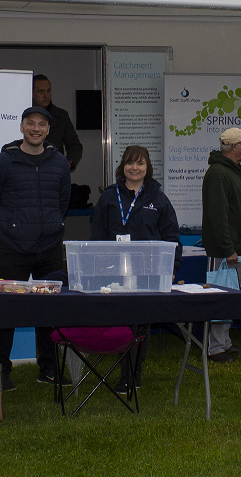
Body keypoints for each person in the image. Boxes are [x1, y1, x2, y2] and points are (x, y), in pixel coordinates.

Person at [0, 106, 72, 391]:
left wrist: (51, 225)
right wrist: (7, 230)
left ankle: (49, 368)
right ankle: (1, 372)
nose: (36, 128)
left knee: (49, 312)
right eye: (30, 123)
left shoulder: (59, 163)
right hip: (13, 250)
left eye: (42, 124)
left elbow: (63, 202)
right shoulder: (3, 162)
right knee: (6, 313)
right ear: (21, 127)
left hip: (49, 249)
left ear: (48, 129)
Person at [91, 145, 183, 392]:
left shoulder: (158, 199)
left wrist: (172, 266)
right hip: (113, 270)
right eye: (130, 163)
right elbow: (98, 234)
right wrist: (99, 265)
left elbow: (171, 236)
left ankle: (132, 374)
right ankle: (123, 369)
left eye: (140, 163)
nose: (135, 167)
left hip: (148, 269)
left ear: (147, 168)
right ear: (123, 166)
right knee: (122, 320)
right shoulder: (109, 197)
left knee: (142, 322)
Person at [201, 127, 241, 363]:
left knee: (228, 296)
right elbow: (218, 215)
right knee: (220, 296)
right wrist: (227, 249)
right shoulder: (218, 174)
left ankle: (224, 343)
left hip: (232, 251)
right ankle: (215, 349)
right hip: (225, 252)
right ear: (235, 147)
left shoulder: (230, 172)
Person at [32, 74, 83, 172]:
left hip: (54, 172)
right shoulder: (24, 115)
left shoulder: (61, 116)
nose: (46, 95)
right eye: (41, 92)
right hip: (28, 170)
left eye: (48, 91)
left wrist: (69, 163)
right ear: (32, 93)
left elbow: (75, 145)